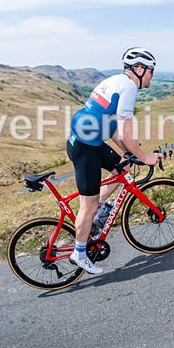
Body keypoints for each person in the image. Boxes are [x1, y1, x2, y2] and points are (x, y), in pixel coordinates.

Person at [66, 47, 161, 274]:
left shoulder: (116, 81)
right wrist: (146, 157)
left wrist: (129, 153)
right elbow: (126, 133)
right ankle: (79, 253)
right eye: (151, 71)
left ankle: (98, 210)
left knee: (123, 167)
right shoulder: (128, 87)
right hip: (85, 147)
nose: (152, 76)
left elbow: (113, 130)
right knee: (86, 205)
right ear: (139, 69)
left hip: (89, 140)